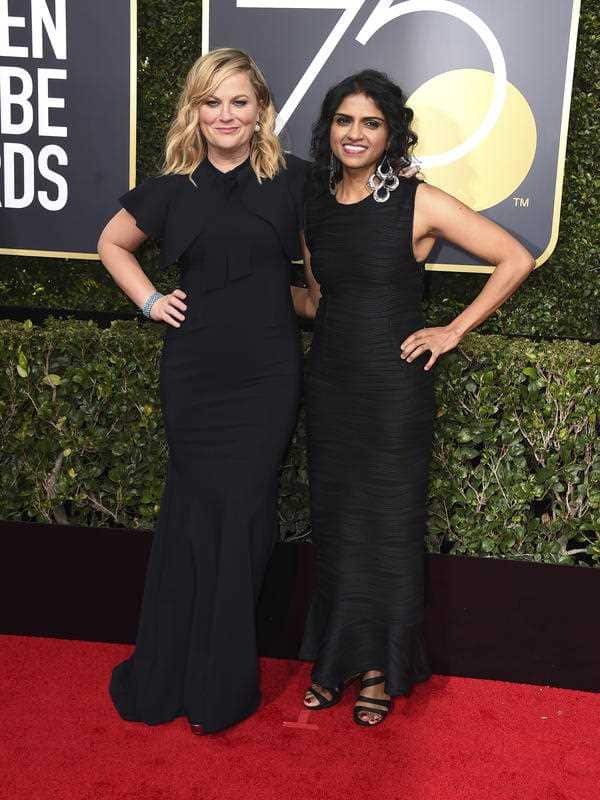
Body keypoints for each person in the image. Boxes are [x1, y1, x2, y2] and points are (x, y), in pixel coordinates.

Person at [291, 70, 535, 727]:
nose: (355, 133)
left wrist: (452, 329)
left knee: (387, 528)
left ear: (390, 132)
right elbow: (317, 300)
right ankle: (335, 659)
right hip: (331, 385)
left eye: (371, 123)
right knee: (336, 523)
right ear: (329, 128)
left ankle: (381, 669)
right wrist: (240, 298)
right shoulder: (314, 206)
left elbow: (514, 257)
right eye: (345, 120)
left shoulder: (417, 202)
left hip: (394, 391)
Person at [98, 48, 308, 735]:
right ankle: (167, 675)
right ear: (194, 109)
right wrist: (151, 301)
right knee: (191, 515)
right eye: (212, 102)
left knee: (245, 517)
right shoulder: (170, 187)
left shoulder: (292, 183)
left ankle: (221, 684)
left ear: (260, 111)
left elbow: (332, 259)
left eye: (238, 102)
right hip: (194, 377)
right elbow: (112, 244)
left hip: (267, 377)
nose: (225, 115)